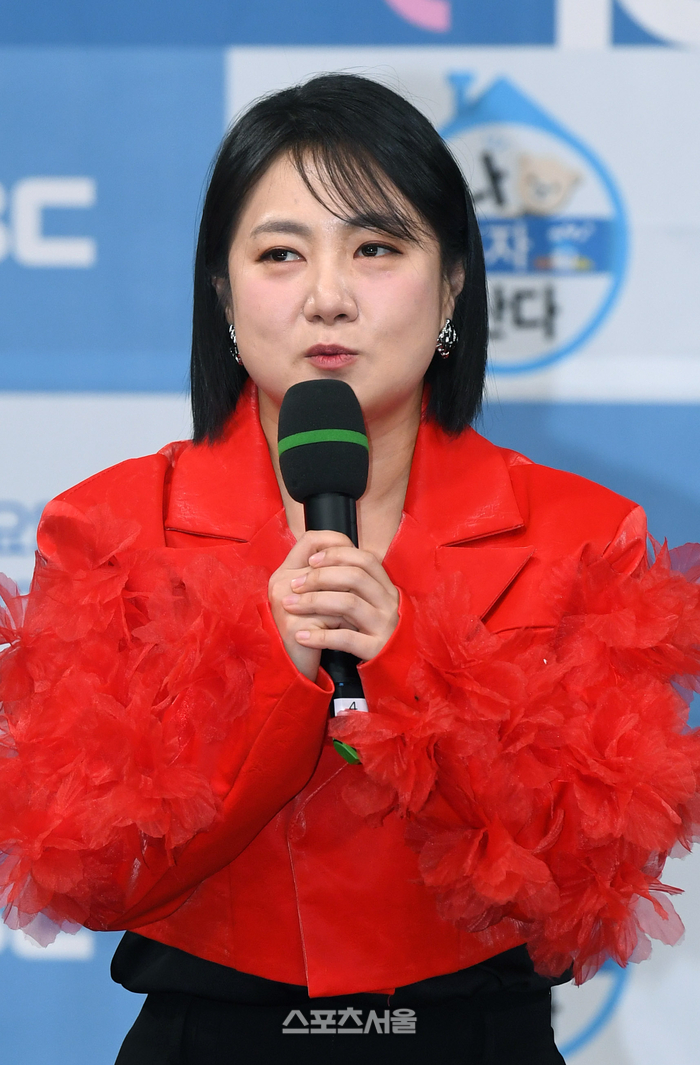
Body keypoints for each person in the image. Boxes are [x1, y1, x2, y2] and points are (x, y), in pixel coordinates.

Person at [0, 74, 699, 1065]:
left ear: (452, 285)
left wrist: (410, 664)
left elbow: (590, 877)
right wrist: (273, 673)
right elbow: (95, 876)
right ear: (222, 293)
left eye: (376, 248)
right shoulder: (107, 529)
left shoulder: (582, 535)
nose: (327, 295)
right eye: (280, 253)